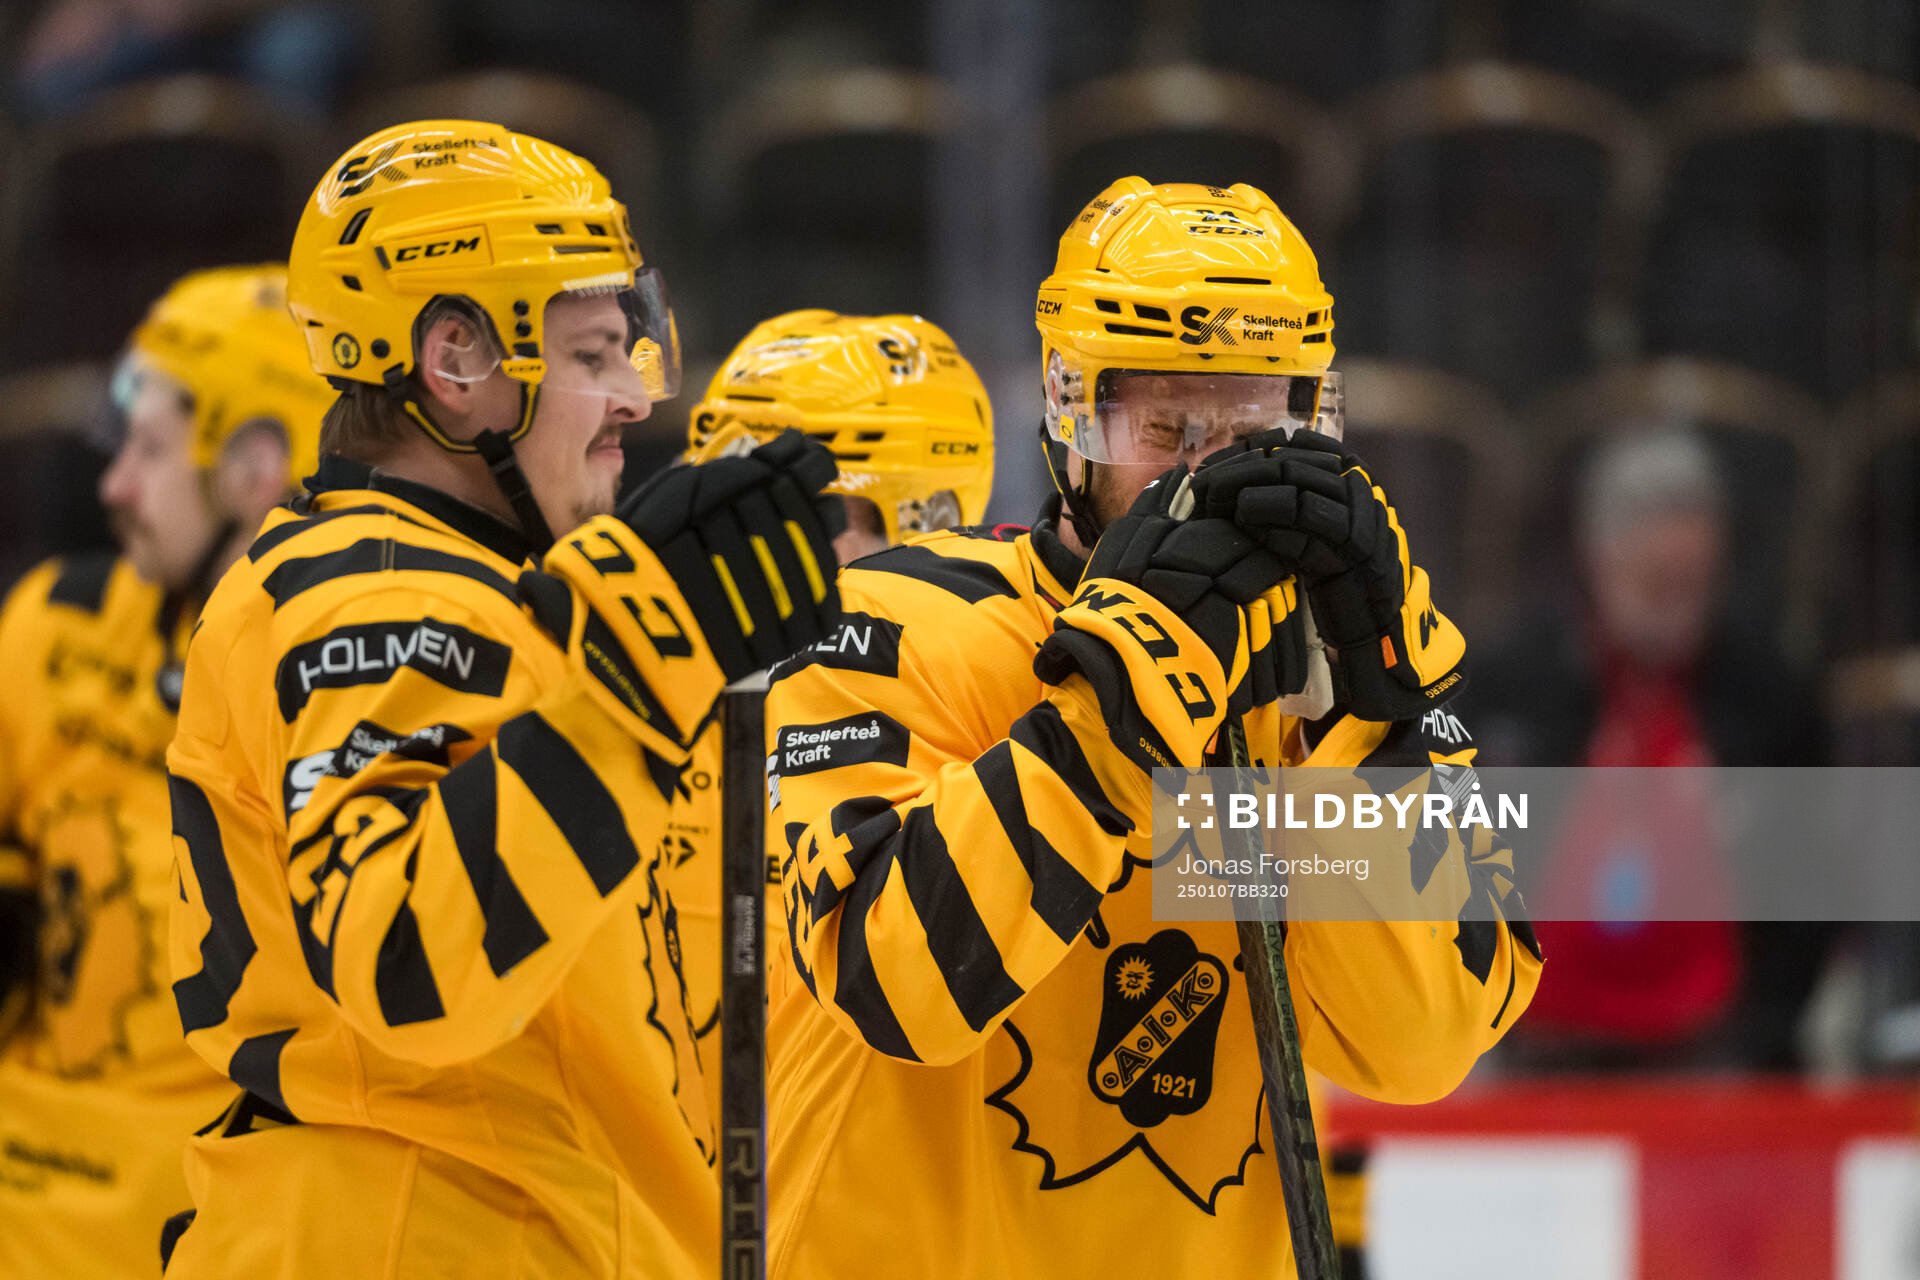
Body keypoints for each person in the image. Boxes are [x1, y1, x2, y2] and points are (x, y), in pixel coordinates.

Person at [763, 177, 1543, 1278]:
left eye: (1253, 427)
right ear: (1071, 417)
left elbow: (1422, 1046)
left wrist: (1364, 719)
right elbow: (900, 989)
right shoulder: (895, 621)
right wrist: (1113, 702)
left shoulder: (1343, 669)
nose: (1207, 472)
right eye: (1166, 425)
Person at [159, 120, 845, 1278]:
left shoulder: (523, 602)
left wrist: (1230, 766)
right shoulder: (383, 587)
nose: (633, 396)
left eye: (1253, 413)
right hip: (427, 1234)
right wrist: (1119, 717)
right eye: (592, 355)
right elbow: (408, 961)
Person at [0, 263, 329, 1277]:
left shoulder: (343, 684)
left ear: (256, 470)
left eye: (147, 453)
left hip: (198, 1218)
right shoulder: (58, 613)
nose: (114, 488)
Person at [667, 309, 994, 1075]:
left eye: (794, 519)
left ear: (926, 519)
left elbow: (1306, 955)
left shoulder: (1062, 688)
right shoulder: (645, 728)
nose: (740, 555)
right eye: (720, 515)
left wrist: (1332, 733)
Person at [1476, 429, 1833, 1070]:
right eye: (1654, 581)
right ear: (1599, 556)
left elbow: (1815, 885)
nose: (1673, 605)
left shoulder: (1771, 695)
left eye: (1691, 584)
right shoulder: (1514, 687)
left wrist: (1762, 1038)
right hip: (1535, 1045)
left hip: (1717, 1049)